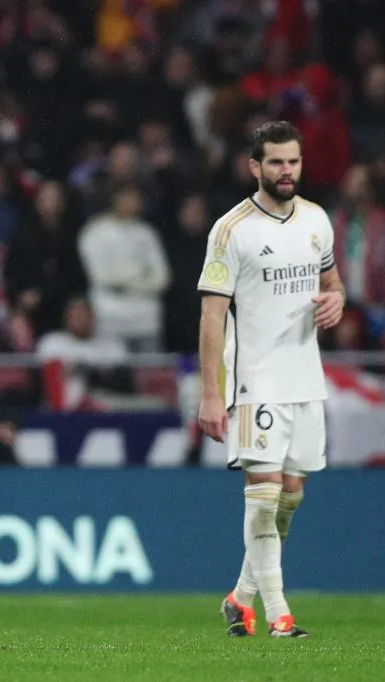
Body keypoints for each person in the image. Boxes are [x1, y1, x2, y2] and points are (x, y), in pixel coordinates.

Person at [196, 121, 344, 639]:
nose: (287, 171)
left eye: (294, 162)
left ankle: (240, 597)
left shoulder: (316, 220)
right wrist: (211, 393)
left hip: (305, 377)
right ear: (255, 166)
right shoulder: (232, 229)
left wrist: (337, 300)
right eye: (277, 162)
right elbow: (212, 315)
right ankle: (281, 616)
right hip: (253, 380)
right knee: (263, 492)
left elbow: (332, 281)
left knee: (291, 496)